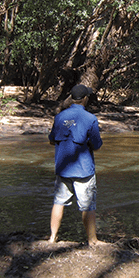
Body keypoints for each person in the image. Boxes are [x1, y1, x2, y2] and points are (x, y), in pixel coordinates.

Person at [48, 84, 103, 246]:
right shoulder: (90, 119)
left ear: (72, 98)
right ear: (85, 99)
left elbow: (52, 140)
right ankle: (92, 240)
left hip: (62, 168)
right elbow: (97, 145)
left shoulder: (59, 117)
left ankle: (52, 238)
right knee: (87, 205)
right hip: (84, 170)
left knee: (59, 202)